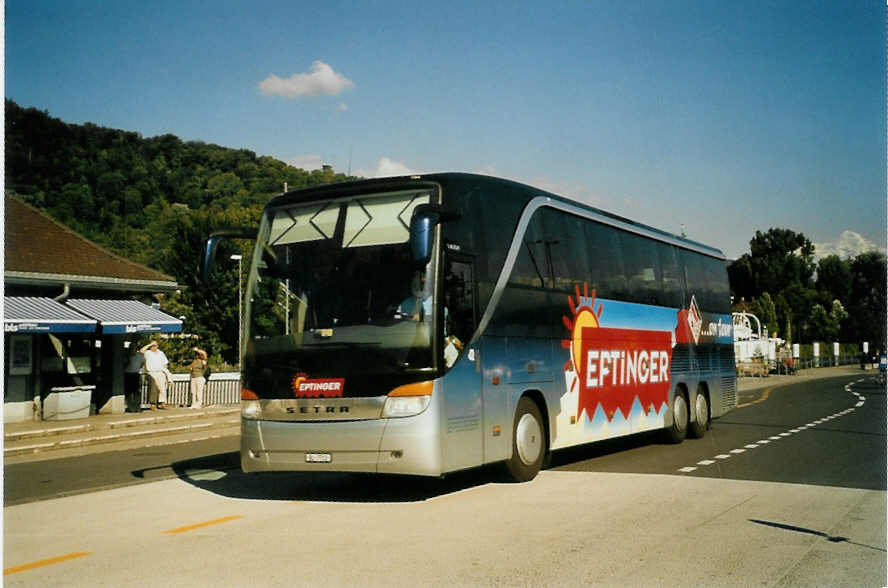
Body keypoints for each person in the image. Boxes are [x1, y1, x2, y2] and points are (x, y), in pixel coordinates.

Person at [140, 340, 169, 410]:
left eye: (155, 345)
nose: (154, 347)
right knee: (153, 388)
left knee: (162, 388)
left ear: (157, 346)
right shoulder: (147, 353)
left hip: (160, 372)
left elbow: (165, 362)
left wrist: (165, 371)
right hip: (151, 372)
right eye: (152, 346)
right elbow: (141, 351)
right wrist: (149, 344)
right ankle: (153, 404)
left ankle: (163, 403)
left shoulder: (161, 353)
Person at [124, 346, 145, 412]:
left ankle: (137, 407)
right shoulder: (126, 356)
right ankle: (130, 407)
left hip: (136, 374)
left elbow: (142, 363)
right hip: (128, 374)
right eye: (131, 348)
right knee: (128, 392)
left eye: (134, 348)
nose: (133, 350)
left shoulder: (139, 356)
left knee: (137, 392)